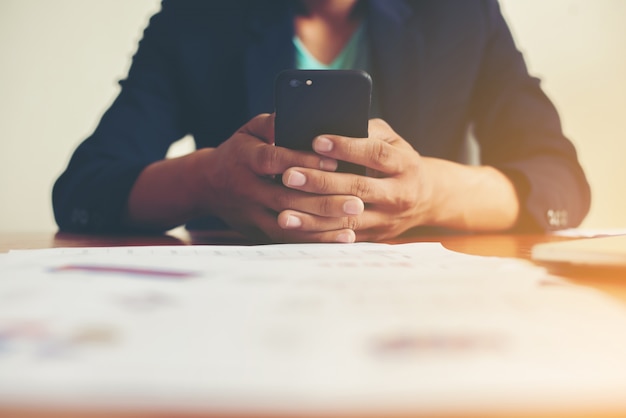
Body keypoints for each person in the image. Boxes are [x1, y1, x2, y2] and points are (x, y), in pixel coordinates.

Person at [53, 0, 591, 243]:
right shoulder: (196, 18)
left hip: (416, 302)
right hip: (234, 304)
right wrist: (206, 180)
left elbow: (559, 180)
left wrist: (431, 191)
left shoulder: (460, 12)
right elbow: (85, 187)